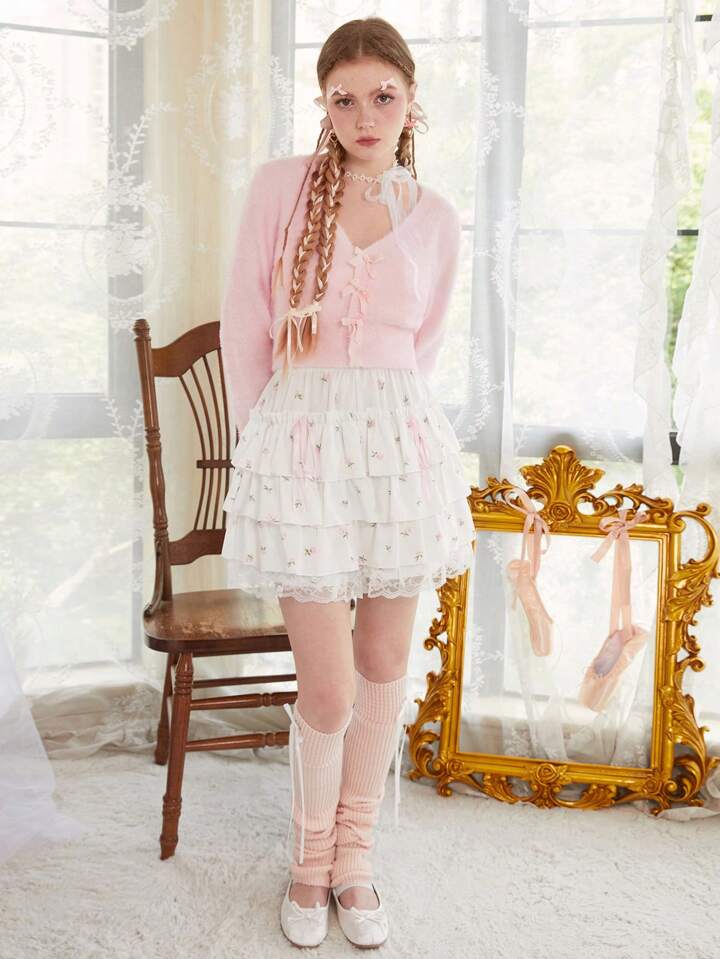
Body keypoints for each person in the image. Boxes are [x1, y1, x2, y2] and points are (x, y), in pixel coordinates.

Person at [219, 15, 475, 949]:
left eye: (383, 97)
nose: (365, 116)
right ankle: (308, 859)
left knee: (382, 666)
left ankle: (354, 860)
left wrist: (381, 425)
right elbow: (243, 323)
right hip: (300, 449)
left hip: (399, 452)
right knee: (326, 689)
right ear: (322, 104)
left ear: (411, 102)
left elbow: (423, 345)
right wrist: (265, 443)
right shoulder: (281, 189)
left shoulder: (435, 216)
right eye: (344, 98)